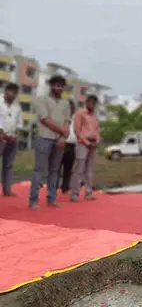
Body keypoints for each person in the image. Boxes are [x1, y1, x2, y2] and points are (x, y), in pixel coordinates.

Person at [29, 75, 70, 210]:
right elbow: (45, 120)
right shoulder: (42, 99)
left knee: (55, 170)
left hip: (59, 140)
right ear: (51, 86)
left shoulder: (65, 103)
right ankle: (33, 200)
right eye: (57, 85)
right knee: (39, 170)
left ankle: (52, 198)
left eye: (62, 86)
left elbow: (67, 121)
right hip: (44, 137)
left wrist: (63, 137)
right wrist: (62, 132)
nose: (60, 88)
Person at [69, 95, 100, 202]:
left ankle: (88, 192)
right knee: (78, 169)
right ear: (86, 102)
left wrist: (97, 141)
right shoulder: (80, 113)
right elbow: (77, 130)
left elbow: (97, 130)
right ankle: (74, 193)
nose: (92, 104)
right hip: (83, 143)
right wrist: (86, 142)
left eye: (94, 103)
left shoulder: (94, 115)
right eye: (90, 102)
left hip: (92, 144)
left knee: (89, 170)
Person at [0, 83, 23, 196]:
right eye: (11, 92)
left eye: (15, 93)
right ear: (6, 91)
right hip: (1, 137)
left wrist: (14, 135)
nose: (13, 95)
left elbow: (19, 123)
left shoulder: (17, 106)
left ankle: (7, 189)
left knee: (8, 165)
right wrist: (2, 134)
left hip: (12, 139)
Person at [58, 98, 76, 194]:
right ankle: (53, 186)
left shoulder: (76, 118)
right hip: (62, 144)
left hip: (72, 145)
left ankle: (65, 187)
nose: (70, 108)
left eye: (72, 106)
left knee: (68, 168)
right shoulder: (60, 117)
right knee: (57, 166)